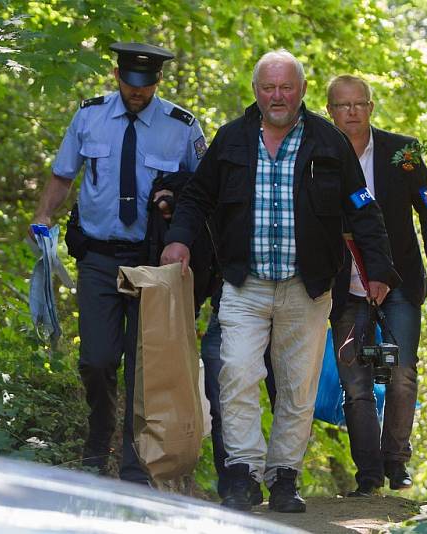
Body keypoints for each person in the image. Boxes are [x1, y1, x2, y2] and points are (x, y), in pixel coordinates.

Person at [161, 50, 400, 513]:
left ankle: (284, 478)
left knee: (297, 386)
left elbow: (362, 207)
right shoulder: (231, 140)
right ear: (256, 91)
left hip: (306, 288)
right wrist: (179, 241)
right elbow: (195, 199)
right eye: (268, 87)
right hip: (243, 284)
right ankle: (244, 475)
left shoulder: (329, 143)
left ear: (301, 90)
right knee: (236, 376)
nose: (277, 96)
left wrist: (379, 271)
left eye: (285, 87)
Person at [31, 42, 206, 485]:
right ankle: (98, 435)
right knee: (97, 359)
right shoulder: (89, 117)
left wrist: (175, 204)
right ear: (116, 76)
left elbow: (204, 191)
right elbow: (62, 174)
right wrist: (43, 216)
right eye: (130, 84)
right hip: (99, 257)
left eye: (145, 86)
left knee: (144, 368)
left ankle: (134, 463)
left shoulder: (181, 126)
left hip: (153, 266)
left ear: (157, 83)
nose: (137, 93)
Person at [325, 75, 427, 497]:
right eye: (343, 106)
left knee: (400, 372)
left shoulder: (403, 152)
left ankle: (396, 460)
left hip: (400, 281)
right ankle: (368, 474)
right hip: (344, 285)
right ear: (330, 111)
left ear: (371, 107)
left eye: (359, 104)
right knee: (356, 382)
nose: (352, 112)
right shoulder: (318, 153)